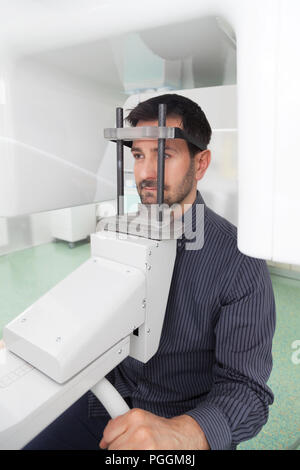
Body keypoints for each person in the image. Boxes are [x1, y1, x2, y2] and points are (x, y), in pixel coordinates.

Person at [10, 93, 276, 450]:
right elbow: (88, 311)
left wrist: (185, 433)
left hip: (177, 423)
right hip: (103, 402)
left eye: (164, 154)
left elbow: (248, 391)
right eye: (138, 155)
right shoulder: (118, 231)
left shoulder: (239, 261)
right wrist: (33, 337)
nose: (146, 173)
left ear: (200, 164)